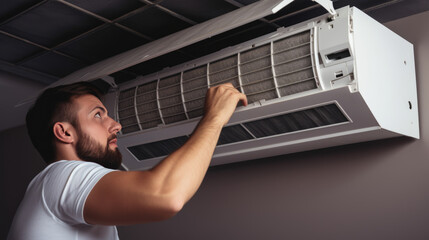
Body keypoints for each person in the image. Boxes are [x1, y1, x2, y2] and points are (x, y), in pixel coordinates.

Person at [7, 81, 247, 240]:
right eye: (98, 115)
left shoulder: (49, 186)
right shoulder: (63, 175)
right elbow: (166, 195)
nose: (116, 125)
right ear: (65, 133)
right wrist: (214, 118)